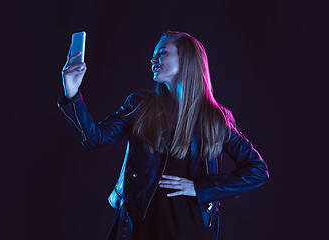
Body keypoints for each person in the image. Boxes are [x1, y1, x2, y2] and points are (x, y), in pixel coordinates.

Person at [58, 31, 269, 240]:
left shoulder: (213, 119)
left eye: (162, 52)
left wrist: (200, 188)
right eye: (154, 53)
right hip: (140, 225)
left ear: (186, 59)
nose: (153, 58)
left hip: (189, 228)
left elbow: (257, 170)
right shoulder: (139, 105)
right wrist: (72, 92)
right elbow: (95, 138)